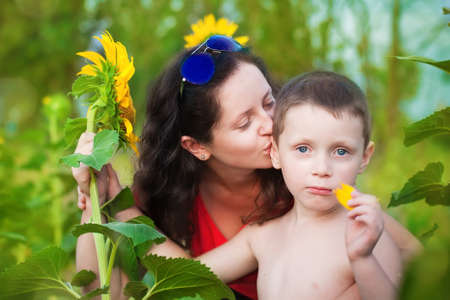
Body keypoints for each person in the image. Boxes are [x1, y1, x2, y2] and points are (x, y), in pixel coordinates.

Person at [73, 36, 421, 300]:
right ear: (197, 147)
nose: (271, 123)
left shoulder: (311, 180)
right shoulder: (173, 195)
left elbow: (411, 254)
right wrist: (99, 199)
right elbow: (103, 286)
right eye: (244, 123)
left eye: (270, 101)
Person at [195, 71, 402, 299]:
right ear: (275, 153)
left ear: (364, 157)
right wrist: (147, 225)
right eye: (303, 149)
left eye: (341, 151)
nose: (322, 169)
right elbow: (188, 275)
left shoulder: (367, 238)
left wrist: (362, 259)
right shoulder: (261, 235)